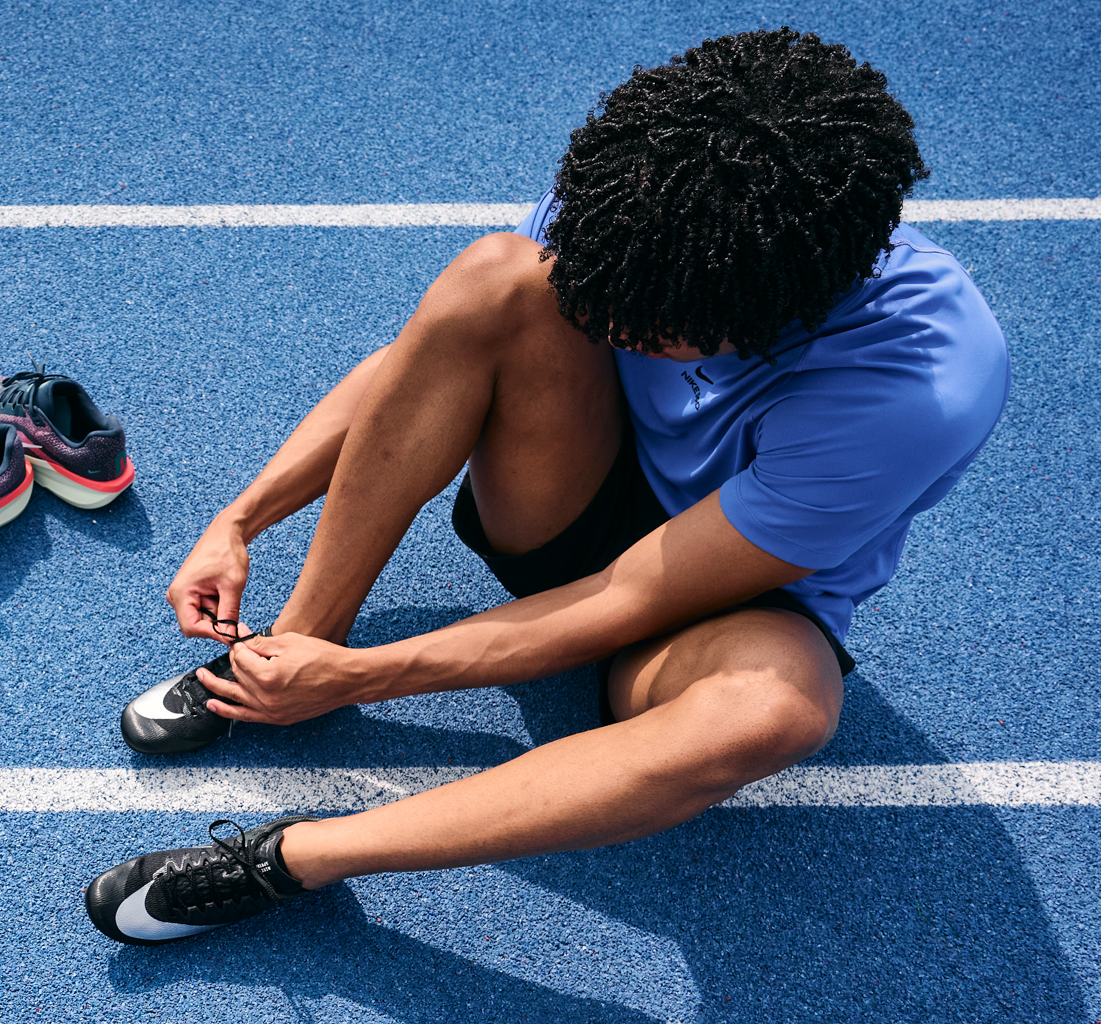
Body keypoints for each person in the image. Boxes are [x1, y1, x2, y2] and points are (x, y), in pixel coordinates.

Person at [87, 29, 1009, 945]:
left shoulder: (913, 391)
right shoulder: (641, 205)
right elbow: (427, 362)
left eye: (652, 327)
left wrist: (368, 679)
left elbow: (632, 595)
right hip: (577, 494)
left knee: (777, 712)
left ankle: (297, 858)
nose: (614, 327)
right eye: (605, 303)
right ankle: (287, 653)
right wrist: (241, 518)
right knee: (498, 276)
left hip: (727, 601)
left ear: (778, 312)